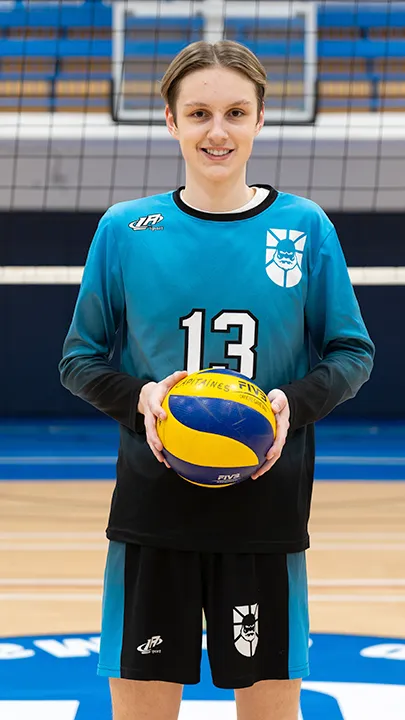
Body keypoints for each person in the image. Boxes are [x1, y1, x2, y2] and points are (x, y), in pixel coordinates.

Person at [59, 40, 374, 720]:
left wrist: (289, 402)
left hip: (265, 509)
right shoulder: (126, 229)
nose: (217, 131)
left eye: (235, 112)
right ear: (170, 121)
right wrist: (139, 396)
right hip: (153, 510)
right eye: (198, 113)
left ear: (260, 119)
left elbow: (351, 352)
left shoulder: (303, 227)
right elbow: (78, 359)